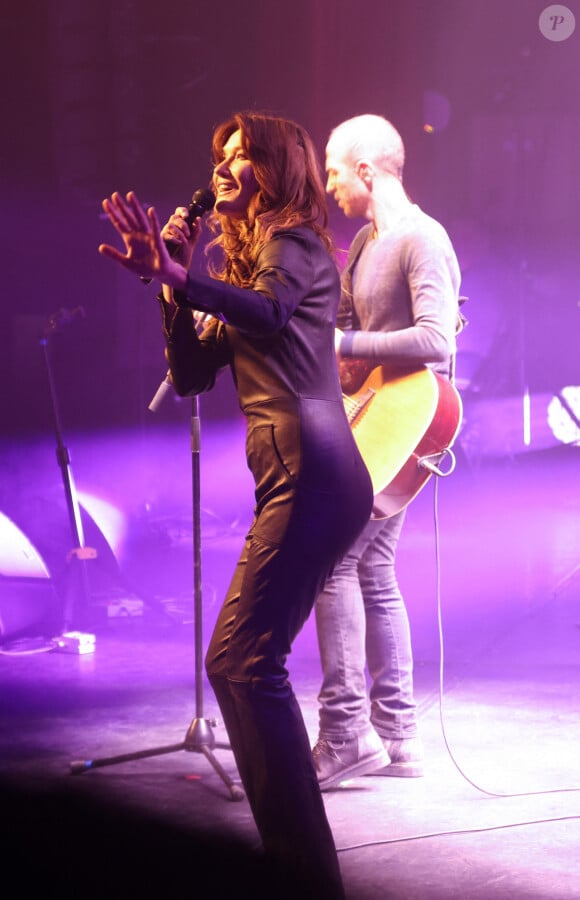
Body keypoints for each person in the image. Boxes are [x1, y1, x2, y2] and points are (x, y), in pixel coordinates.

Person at [98, 111, 373, 899]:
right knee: (240, 664)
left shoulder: (294, 248)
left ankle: (306, 875)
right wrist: (171, 282)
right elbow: (189, 371)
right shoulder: (253, 266)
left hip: (312, 471)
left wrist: (184, 277)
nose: (222, 167)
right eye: (218, 154)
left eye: (242, 154)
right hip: (298, 473)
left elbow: (271, 312)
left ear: (279, 169)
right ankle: (295, 866)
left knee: (246, 664)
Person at [312, 113, 461, 791]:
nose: (330, 186)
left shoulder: (422, 238)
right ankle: (397, 735)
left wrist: (345, 347)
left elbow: (435, 339)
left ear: (367, 170)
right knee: (371, 571)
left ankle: (346, 733)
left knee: (333, 564)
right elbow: (345, 329)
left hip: (408, 429)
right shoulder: (364, 244)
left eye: (336, 173)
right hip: (377, 424)